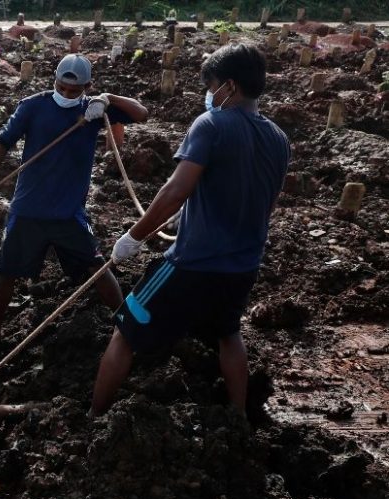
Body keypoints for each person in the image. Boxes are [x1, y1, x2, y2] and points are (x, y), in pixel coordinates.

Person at [90, 44, 290, 417]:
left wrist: (134, 237)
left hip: (190, 264)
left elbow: (176, 191)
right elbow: (265, 204)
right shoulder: (278, 138)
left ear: (229, 86)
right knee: (228, 334)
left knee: (125, 329)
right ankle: (238, 419)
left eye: (212, 85)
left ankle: (94, 416)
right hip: (243, 266)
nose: (210, 94)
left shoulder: (211, 124)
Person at [0, 54, 149, 352]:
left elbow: (142, 114)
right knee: (8, 272)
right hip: (29, 210)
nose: (66, 94)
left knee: (98, 269)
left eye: (74, 91)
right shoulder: (33, 106)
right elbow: (2, 142)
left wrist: (107, 99)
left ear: (87, 86)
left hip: (68, 213)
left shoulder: (94, 110)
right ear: (54, 79)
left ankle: (127, 328)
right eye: (61, 87)